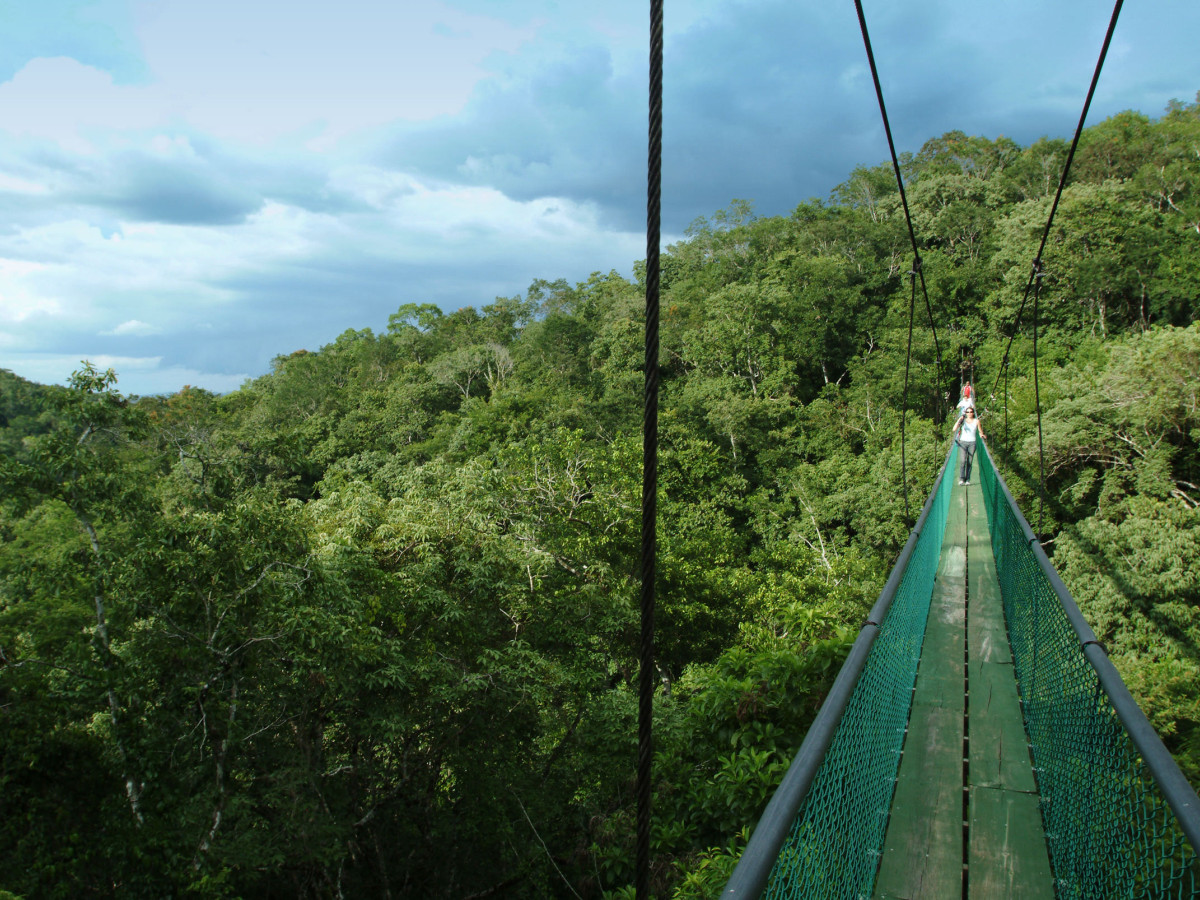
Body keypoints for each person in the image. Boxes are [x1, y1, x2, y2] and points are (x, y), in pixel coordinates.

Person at [952, 406, 984, 485]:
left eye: (971, 412)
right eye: (967, 412)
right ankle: (961, 478)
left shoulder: (977, 421)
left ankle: (967, 479)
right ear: (965, 413)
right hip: (963, 443)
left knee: (969, 462)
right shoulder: (963, 421)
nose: (969, 413)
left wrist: (982, 435)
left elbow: (980, 431)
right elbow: (954, 429)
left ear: (973, 413)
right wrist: (959, 420)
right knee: (963, 461)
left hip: (972, 443)